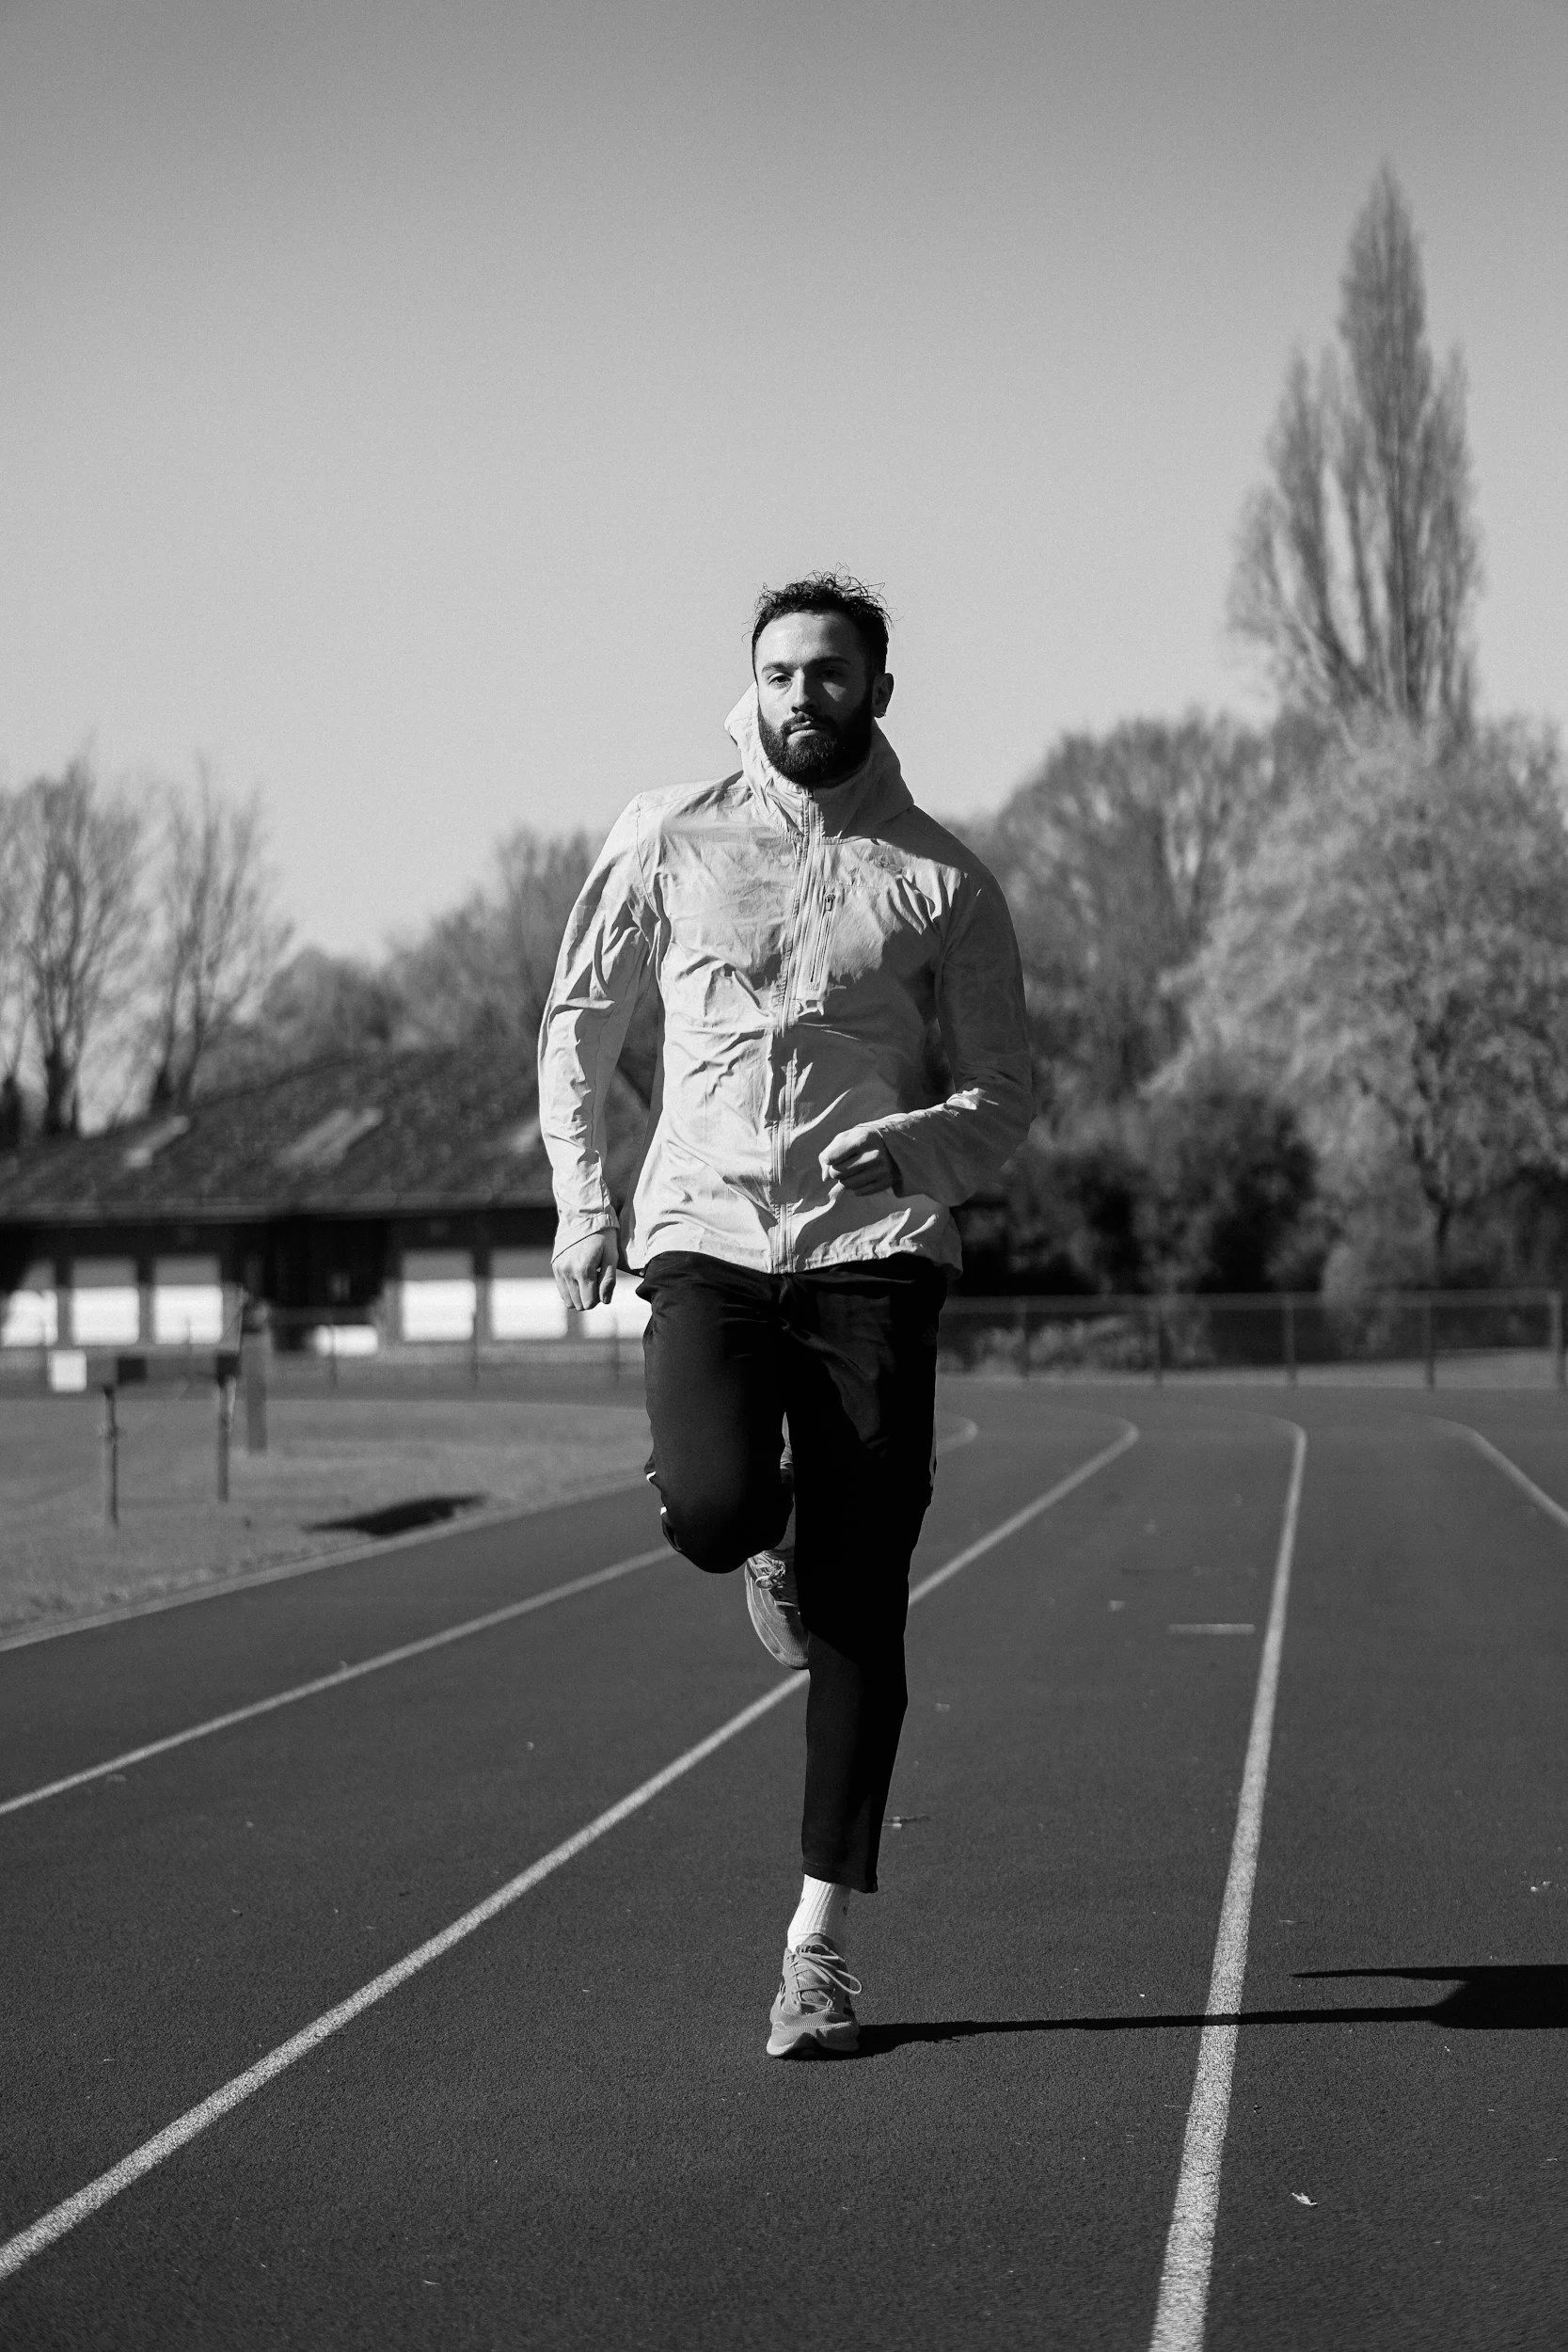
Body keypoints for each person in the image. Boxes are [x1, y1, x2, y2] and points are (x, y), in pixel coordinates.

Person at [539, 573, 1032, 2056]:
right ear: (746, 687)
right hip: (703, 1230)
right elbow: (581, 1023)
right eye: (775, 672)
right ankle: (761, 1546)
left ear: (876, 691)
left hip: (874, 1242)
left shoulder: (942, 883)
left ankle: (814, 1950)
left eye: (827, 671)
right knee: (710, 1502)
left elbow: (1007, 1099)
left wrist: (909, 1145)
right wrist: (584, 1196)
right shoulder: (664, 835)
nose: (798, 694)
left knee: (866, 1591)